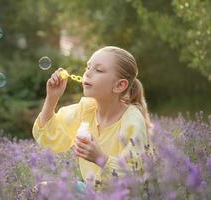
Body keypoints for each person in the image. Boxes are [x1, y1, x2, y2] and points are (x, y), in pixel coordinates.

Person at [32, 46, 153, 192]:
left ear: (119, 85)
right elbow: (50, 139)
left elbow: (134, 176)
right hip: (91, 191)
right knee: (40, 190)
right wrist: (52, 98)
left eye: (99, 70)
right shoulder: (86, 110)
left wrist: (100, 158)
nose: (88, 73)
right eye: (87, 67)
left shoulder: (132, 120)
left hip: (122, 195)